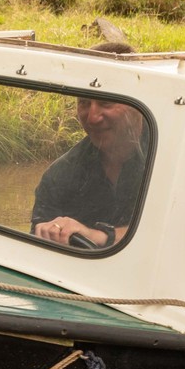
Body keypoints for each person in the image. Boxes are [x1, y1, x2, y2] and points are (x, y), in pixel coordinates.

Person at [30, 41, 148, 249]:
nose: (92, 118)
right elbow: (36, 248)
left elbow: (179, 238)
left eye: (106, 102)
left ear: (137, 101)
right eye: (84, 102)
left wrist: (98, 236)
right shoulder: (59, 176)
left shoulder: (183, 161)